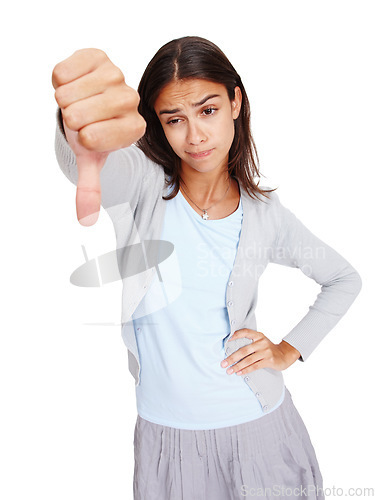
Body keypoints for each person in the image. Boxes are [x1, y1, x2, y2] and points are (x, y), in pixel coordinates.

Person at [52, 36, 362, 500]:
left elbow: (343, 279)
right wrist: (77, 130)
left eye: (208, 110)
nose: (194, 136)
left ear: (236, 101)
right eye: (174, 119)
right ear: (157, 123)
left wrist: (285, 350)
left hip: (260, 432)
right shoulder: (144, 185)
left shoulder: (264, 214)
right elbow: (90, 166)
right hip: (166, 441)